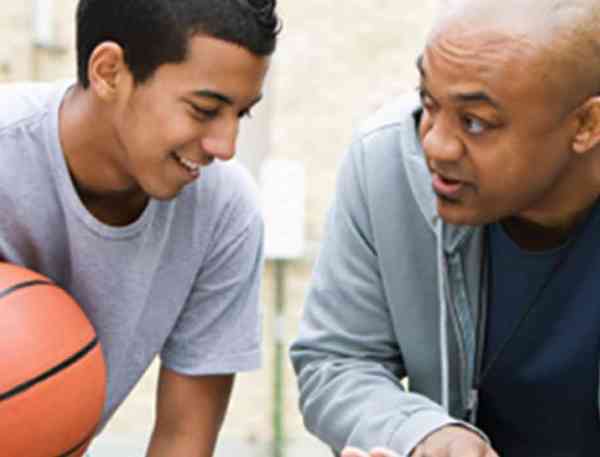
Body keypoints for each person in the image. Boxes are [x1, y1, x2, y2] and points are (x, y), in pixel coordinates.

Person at [290, 0, 600, 456]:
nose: (434, 144)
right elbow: (337, 360)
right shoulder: (386, 164)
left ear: (587, 124)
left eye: (476, 122)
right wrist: (421, 435)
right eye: (428, 102)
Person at [0, 0, 279, 455]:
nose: (225, 146)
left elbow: (182, 440)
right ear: (109, 71)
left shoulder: (226, 215)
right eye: (205, 109)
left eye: (241, 114)